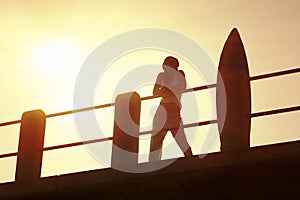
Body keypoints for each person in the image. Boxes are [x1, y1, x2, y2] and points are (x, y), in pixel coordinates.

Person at [149, 56, 193, 162]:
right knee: (155, 141)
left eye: (168, 63)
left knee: (181, 140)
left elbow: (182, 88)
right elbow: (155, 92)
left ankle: (192, 161)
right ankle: (152, 166)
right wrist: (167, 90)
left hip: (174, 110)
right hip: (162, 109)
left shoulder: (180, 74)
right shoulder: (161, 76)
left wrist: (166, 90)